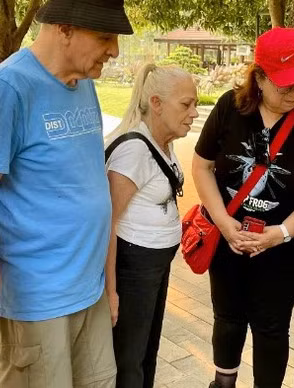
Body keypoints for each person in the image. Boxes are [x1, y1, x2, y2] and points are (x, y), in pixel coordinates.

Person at [0, 0, 133, 388]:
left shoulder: (85, 84)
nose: (113, 51)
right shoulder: (7, 89)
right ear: (65, 27)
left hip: (89, 291)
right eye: (105, 36)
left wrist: (107, 286)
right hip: (37, 301)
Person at [192, 27, 294, 388]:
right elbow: (202, 166)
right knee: (226, 317)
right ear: (259, 77)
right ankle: (223, 383)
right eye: (284, 85)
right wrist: (225, 222)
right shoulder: (231, 107)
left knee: (272, 327)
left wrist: (282, 233)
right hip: (229, 240)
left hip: (283, 248)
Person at [105, 63, 198, 388]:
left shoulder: (163, 142)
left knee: (147, 351)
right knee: (129, 361)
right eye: (186, 104)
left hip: (154, 267)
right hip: (134, 271)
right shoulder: (133, 150)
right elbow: (107, 223)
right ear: (156, 103)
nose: (194, 113)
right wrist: (111, 292)